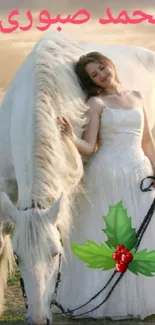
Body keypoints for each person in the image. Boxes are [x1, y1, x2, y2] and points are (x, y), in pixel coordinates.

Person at [57, 52, 155, 320]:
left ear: (110, 64)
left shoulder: (137, 96)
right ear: (92, 82)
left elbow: (147, 142)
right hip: (107, 174)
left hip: (139, 172)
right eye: (94, 74)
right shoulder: (96, 103)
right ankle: (106, 296)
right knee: (110, 232)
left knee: (141, 232)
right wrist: (69, 137)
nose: (101, 74)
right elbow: (89, 148)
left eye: (102, 67)